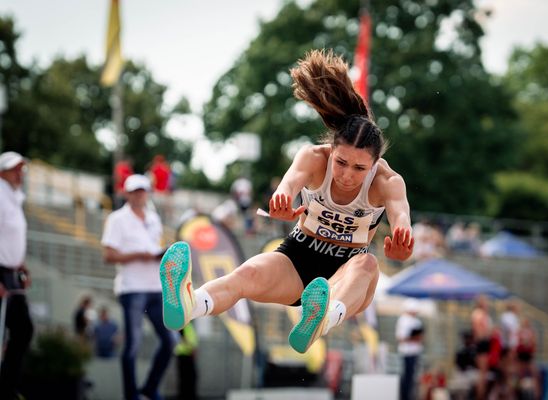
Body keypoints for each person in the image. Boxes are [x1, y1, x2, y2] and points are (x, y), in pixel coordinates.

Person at [159, 49, 414, 356]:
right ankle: (189, 305)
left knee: (368, 263)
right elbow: (288, 185)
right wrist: (281, 199)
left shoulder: (389, 182)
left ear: (375, 164)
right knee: (244, 277)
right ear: (331, 150)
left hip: (348, 273)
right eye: (342, 162)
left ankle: (323, 317)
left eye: (360, 168)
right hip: (299, 255)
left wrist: (402, 246)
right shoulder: (313, 158)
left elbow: (402, 223)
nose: (347, 175)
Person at [101, 174, 175, 400]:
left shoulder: (153, 218)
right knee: (133, 344)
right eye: (135, 191)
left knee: (171, 340)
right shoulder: (117, 219)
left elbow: (155, 249)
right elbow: (109, 255)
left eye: (143, 190)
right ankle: (132, 394)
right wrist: (140, 255)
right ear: (127, 193)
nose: (140, 194)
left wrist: (162, 256)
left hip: (155, 286)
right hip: (132, 288)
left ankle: (150, 388)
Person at [0, 151, 34, 400]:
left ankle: (8, 387)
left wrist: (21, 264)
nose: (19, 173)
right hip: (1, 272)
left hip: (11, 271)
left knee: (22, 330)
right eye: (14, 168)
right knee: (14, 330)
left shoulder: (13, 196)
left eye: (21, 168)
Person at [395, 299, 424, 400]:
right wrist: (413, 338)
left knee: (411, 377)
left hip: (414, 352)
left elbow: (420, 338)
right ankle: (404, 397)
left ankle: (408, 396)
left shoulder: (416, 321)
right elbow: (400, 338)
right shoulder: (403, 320)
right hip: (407, 353)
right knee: (406, 377)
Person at [470, 294, 494, 400]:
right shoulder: (479, 314)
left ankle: (482, 395)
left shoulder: (481, 314)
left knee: (484, 374)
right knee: (482, 374)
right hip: (482, 343)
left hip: (484, 343)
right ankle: (480, 396)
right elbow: (479, 331)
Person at [174, 323, 199, 400]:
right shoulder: (182, 324)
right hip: (185, 355)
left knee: (188, 379)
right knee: (187, 379)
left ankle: (188, 396)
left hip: (187, 354)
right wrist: (192, 348)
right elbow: (183, 337)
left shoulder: (187, 324)